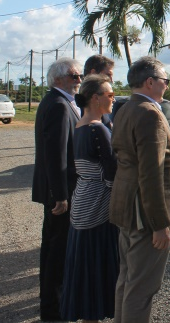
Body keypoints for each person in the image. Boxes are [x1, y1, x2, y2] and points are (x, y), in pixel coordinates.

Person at [109, 56, 170, 323]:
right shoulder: (150, 114)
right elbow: (151, 174)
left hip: (127, 206)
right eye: (165, 80)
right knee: (141, 288)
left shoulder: (125, 108)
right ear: (150, 82)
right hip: (144, 214)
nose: (167, 85)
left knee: (127, 279)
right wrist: (159, 223)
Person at [60, 74, 119, 322]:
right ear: (95, 98)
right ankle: (94, 312)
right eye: (110, 94)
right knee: (97, 262)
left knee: (84, 262)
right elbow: (112, 172)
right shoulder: (98, 129)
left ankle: (87, 313)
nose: (113, 99)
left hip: (83, 198)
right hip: (98, 203)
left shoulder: (81, 125)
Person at [32, 57, 83, 321]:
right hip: (61, 194)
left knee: (54, 248)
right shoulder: (59, 105)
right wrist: (60, 195)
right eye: (75, 76)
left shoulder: (60, 102)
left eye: (80, 75)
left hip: (60, 191)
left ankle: (53, 304)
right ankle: (53, 309)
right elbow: (56, 155)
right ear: (59, 79)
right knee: (57, 251)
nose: (79, 80)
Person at [83, 54, 115, 129]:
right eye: (108, 75)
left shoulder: (100, 104)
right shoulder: (82, 105)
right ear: (93, 73)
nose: (111, 80)